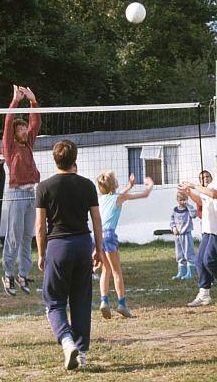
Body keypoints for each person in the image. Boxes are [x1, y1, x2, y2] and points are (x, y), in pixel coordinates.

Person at [35, 140, 103, 370]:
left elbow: (39, 226)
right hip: (83, 244)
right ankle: (81, 353)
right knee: (81, 301)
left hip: (58, 246)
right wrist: (99, 249)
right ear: (75, 159)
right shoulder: (87, 185)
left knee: (54, 301)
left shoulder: (44, 186)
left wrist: (42, 252)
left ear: (55, 159)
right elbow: (96, 219)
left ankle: (67, 342)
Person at [1, 85, 41, 296]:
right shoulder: (10, 146)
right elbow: (8, 124)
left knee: (27, 236)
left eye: (26, 129)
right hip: (16, 194)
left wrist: (33, 102)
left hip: (30, 193)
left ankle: (23, 274)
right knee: (13, 237)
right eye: (21, 129)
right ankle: (8, 273)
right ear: (15, 135)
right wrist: (16, 101)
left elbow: (36, 123)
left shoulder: (29, 144)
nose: (25, 131)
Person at [96, 171, 153, 319]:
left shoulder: (102, 199)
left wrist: (129, 186)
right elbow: (145, 195)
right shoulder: (119, 197)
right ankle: (122, 305)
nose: (117, 180)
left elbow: (117, 194)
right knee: (117, 272)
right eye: (115, 179)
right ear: (113, 185)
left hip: (97, 235)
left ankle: (104, 301)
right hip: (109, 235)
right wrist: (150, 185)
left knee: (105, 270)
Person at [179, 168, 217, 307]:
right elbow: (201, 201)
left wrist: (195, 186)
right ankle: (204, 295)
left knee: (209, 260)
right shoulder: (209, 187)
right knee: (199, 260)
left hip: (216, 231)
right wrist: (189, 192)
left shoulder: (213, 186)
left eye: (207, 176)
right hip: (208, 230)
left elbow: (213, 194)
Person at [169, 191, 196, 280]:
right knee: (179, 254)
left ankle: (190, 272)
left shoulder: (189, 209)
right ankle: (181, 272)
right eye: (181, 200)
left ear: (187, 199)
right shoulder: (175, 210)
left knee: (188, 253)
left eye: (185, 199)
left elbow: (194, 214)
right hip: (178, 235)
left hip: (186, 235)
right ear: (177, 200)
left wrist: (188, 205)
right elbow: (172, 221)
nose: (183, 202)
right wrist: (174, 228)